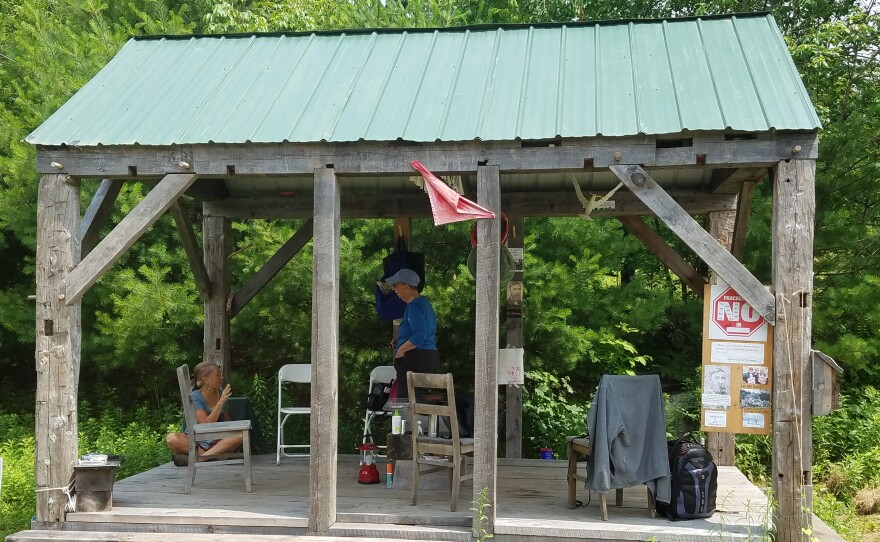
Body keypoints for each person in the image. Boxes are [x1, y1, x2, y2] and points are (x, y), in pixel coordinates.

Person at [166, 361, 243, 466]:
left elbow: (226, 421)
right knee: (171, 438)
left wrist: (230, 431)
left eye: (221, 374)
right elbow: (205, 425)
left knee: (240, 435)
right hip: (197, 440)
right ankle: (213, 456)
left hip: (217, 440)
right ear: (206, 379)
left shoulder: (220, 393)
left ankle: (200, 459)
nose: (222, 377)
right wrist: (221, 402)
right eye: (217, 375)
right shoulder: (195, 396)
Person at [385, 268, 440, 400]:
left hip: (415, 359)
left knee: (407, 403)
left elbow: (419, 336)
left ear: (406, 285)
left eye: (395, 285)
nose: (394, 290)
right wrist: (401, 339)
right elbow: (423, 330)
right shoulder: (425, 304)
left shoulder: (414, 306)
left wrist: (400, 352)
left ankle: (409, 422)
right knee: (426, 403)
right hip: (429, 356)